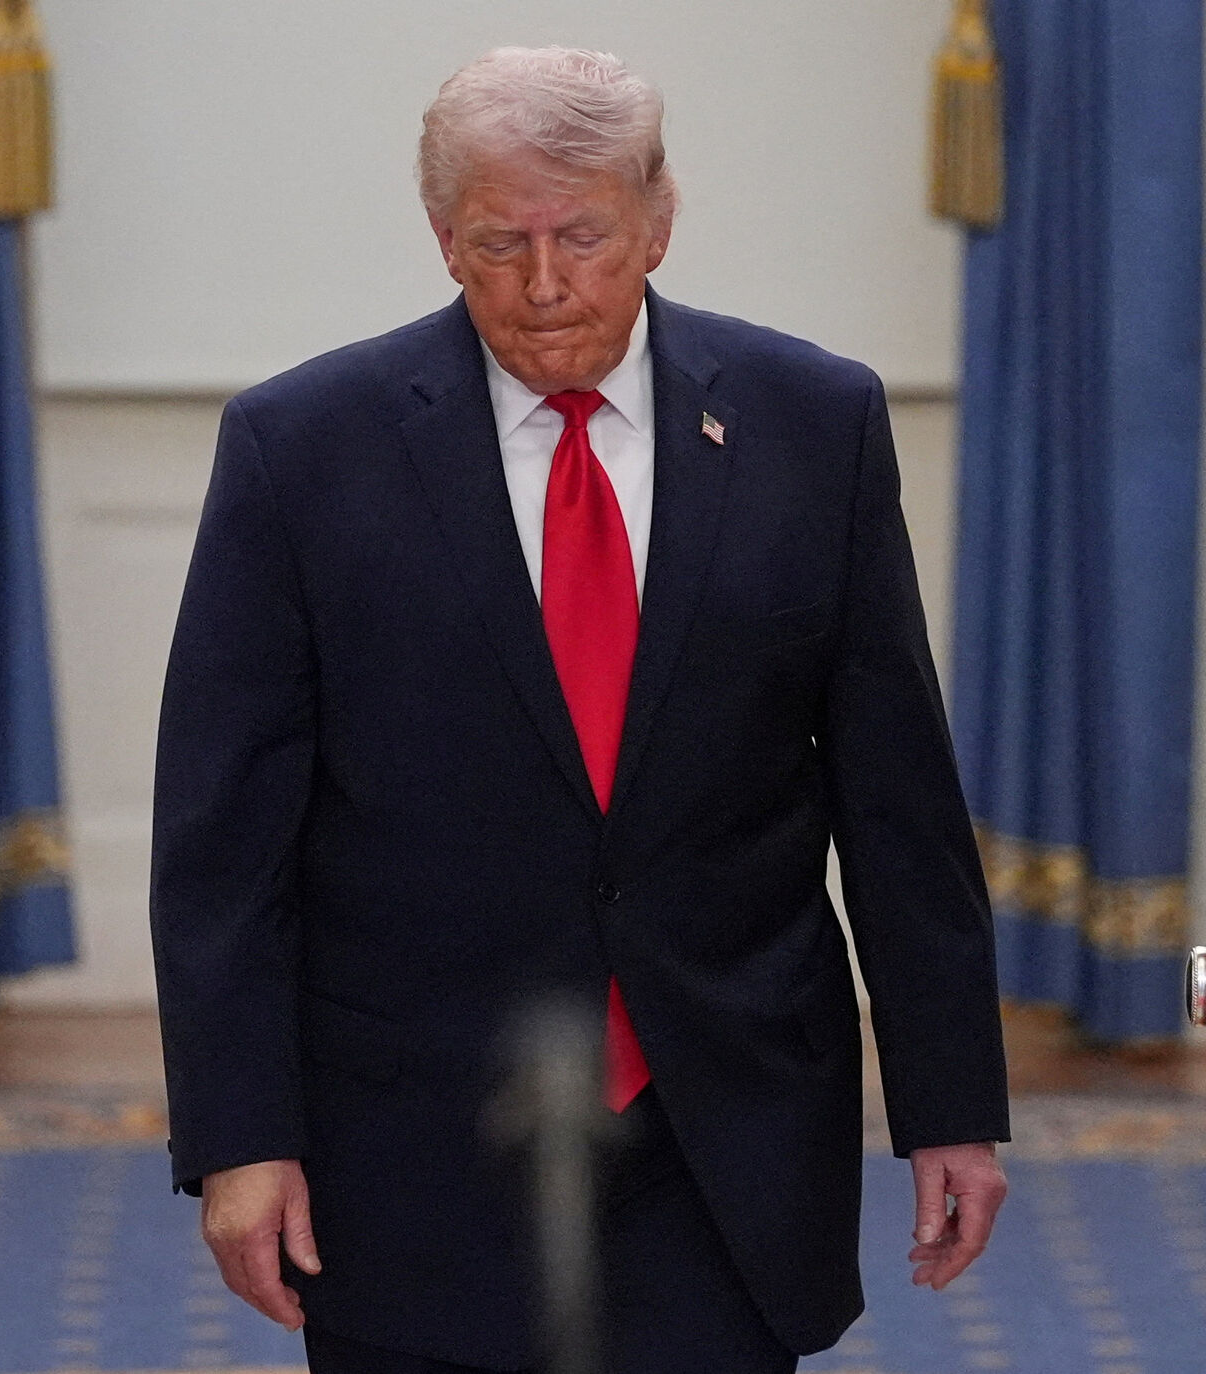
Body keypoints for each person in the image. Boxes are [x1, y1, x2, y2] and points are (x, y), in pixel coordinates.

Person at [151, 46, 1010, 1374]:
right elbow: (225, 843)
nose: (545, 284)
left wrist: (952, 1101)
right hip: (414, 1131)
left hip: (722, 1114)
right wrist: (238, 1135)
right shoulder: (304, 449)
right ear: (443, 239)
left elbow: (896, 796)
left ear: (658, 218)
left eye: (584, 235)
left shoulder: (811, 423)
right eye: (499, 242)